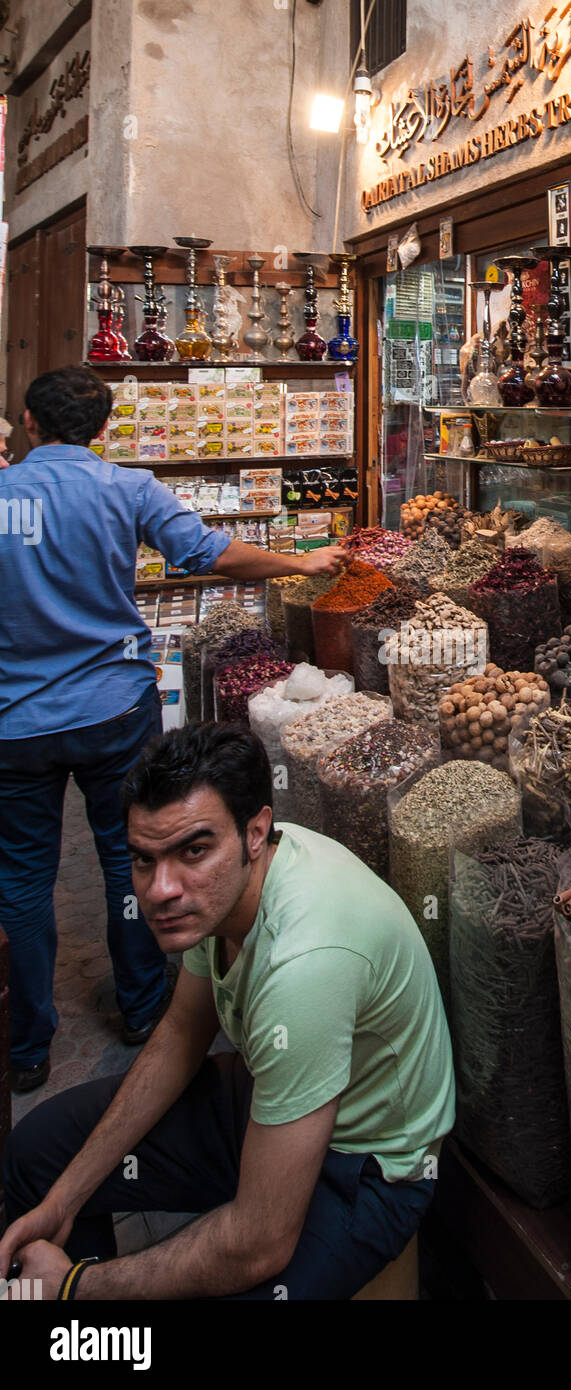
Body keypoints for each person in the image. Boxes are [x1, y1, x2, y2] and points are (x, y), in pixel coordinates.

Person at [0, 723, 454, 1300]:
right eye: (143, 860)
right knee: (38, 1156)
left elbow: (259, 1242)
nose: (161, 889)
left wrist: (73, 1286)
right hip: (279, 1096)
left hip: (367, 1166)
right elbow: (183, 1033)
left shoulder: (304, 964)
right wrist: (63, 1201)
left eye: (193, 850)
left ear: (256, 832)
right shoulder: (225, 893)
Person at [0, 367, 347, 1093]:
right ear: (102, 430)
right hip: (110, 707)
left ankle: (26, 1045)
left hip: (14, 720)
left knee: (22, 879)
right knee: (130, 856)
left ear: (29, 424)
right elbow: (211, 555)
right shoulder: (128, 489)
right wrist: (301, 558)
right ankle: (142, 1008)